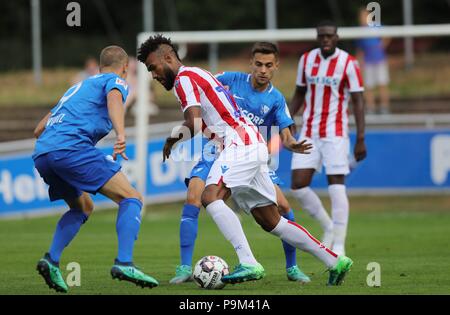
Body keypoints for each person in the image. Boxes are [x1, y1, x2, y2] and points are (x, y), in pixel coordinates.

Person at [137, 34, 353, 286]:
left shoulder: (184, 79)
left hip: (238, 143)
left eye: (153, 67)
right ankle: (334, 260)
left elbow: (193, 122)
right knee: (271, 221)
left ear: (168, 57)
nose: (153, 74)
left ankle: (248, 261)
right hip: (248, 143)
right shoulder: (199, 74)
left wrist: (171, 140)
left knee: (210, 197)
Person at [168, 42, 312, 285]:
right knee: (194, 196)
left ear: (276, 66)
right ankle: (184, 268)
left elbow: (285, 133)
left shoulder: (276, 99)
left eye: (268, 65)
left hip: (249, 154)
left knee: (284, 207)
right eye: (258, 64)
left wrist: (290, 142)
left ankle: (292, 267)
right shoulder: (231, 80)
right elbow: (203, 84)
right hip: (216, 148)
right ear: (251, 64)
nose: (263, 70)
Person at [33, 46, 159, 293]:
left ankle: (51, 259)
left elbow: (38, 129)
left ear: (100, 65)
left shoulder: (76, 89)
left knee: (84, 207)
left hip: (43, 154)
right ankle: (124, 262)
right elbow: (114, 98)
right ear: (125, 68)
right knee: (131, 198)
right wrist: (121, 133)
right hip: (71, 150)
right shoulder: (115, 81)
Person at [289, 21, 367, 257]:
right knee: (298, 185)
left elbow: (358, 101)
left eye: (330, 36)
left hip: (335, 133)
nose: (326, 39)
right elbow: (299, 93)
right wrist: (287, 118)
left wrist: (361, 137)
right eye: (322, 35)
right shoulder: (306, 60)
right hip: (310, 131)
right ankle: (328, 227)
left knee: (336, 184)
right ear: (317, 37)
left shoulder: (349, 63)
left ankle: (340, 245)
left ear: (336, 37)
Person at [356, 7, 391, 115]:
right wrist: (359, 62)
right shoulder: (359, 31)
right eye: (361, 16)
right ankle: (371, 108)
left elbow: (388, 35)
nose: (362, 18)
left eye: (364, 16)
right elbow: (359, 49)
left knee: (382, 84)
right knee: (368, 86)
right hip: (367, 62)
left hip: (380, 60)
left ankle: (384, 108)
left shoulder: (376, 26)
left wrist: (382, 45)